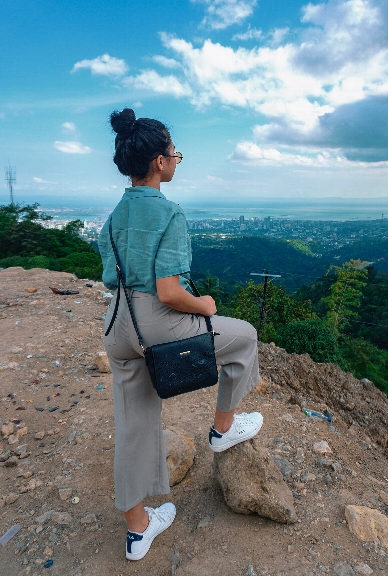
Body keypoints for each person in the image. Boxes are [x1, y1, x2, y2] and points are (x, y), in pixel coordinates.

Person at [98, 108, 262, 562]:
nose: (176, 161)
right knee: (244, 336)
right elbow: (170, 291)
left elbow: (113, 278)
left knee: (132, 424)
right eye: (175, 155)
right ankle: (222, 429)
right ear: (159, 161)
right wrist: (205, 305)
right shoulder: (170, 213)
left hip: (117, 325)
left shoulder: (113, 216)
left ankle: (137, 532)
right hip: (158, 320)